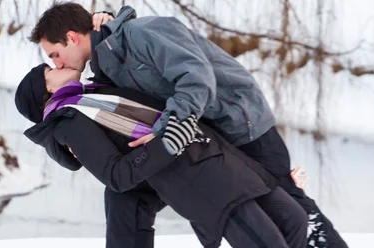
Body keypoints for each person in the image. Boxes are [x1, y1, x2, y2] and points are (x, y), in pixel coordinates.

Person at [29, 3, 348, 248]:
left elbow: (197, 78)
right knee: (124, 198)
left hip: (239, 124)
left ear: (71, 37)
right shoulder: (107, 63)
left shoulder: (143, 33)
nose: (57, 63)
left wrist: (167, 130)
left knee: (291, 208)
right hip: (199, 139)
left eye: (55, 54)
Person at [15, 63, 309, 248]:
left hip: (219, 155)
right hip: (203, 182)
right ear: (47, 92)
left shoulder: (94, 93)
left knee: (294, 219)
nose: (58, 64)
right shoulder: (69, 121)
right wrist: (167, 142)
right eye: (49, 70)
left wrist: (106, 22)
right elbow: (117, 175)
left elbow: (118, 61)